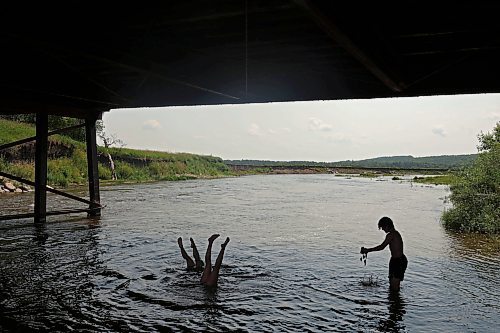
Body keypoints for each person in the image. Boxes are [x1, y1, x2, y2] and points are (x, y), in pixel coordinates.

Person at [360, 217, 407, 291]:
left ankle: (395, 300)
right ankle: (394, 301)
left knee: (394, 287)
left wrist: (368, 250)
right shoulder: (395, 233)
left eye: (382, 227)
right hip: (395, 260)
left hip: (399, 261)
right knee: (392, 287)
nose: (382, 229)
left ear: (387, 226)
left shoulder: (391, 235)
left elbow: (381, 247)